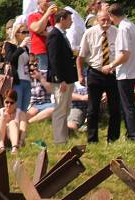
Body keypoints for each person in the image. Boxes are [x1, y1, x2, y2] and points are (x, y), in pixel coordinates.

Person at [76, 10, 120, 143]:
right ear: (98, 20)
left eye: (108, 20)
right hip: (95, 72)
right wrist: (80, 75)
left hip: (112, 73)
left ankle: (113, 138)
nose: (106, 23)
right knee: (92, 108)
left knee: (115, 108)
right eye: (103, 20)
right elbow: (81, 57)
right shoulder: (90, 33)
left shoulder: (116, 32)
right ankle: (92, 139)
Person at [106, 3, 135, 142]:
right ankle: (131, 134)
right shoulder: (131, 25)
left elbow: (124, 54)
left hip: (126, 72)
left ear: (111, 16)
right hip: (132, 70)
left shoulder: (123, 28)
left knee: (127, 106)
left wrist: (111, 65)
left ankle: (133, 136)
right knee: (129, 104)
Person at [46, 9, 76, 144]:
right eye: (69, 19)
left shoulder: (61, 35)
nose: (71, 22)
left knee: (66, 108)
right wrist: (61, 79)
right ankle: (59, 139)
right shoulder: (54, 35)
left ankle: (63, 138)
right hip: (61, 80)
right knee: (60, 109)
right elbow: (54, 60)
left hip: (68, 78)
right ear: (62, 19)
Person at [4, 24, 32, 112]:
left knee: (24, 109)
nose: (27, 34)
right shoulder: (9, 45)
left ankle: (22, 125)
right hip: (17, 81)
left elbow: (26, 63)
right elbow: (10, 59)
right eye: (24, 32)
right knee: (17, 108)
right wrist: (21, 47)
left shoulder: (26, 48)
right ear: (16, 33)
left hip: (27, 80)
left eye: (28, 32)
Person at [27, 0, 57, 73]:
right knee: (42, 77)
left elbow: (57, 33)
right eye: (46, 1)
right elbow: (37, 28)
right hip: (40, 53)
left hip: (53, 52)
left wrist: (46, 33)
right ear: (38, 2)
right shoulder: (33, 16)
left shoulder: (53, 16)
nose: (49, 3)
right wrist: (47, 14)